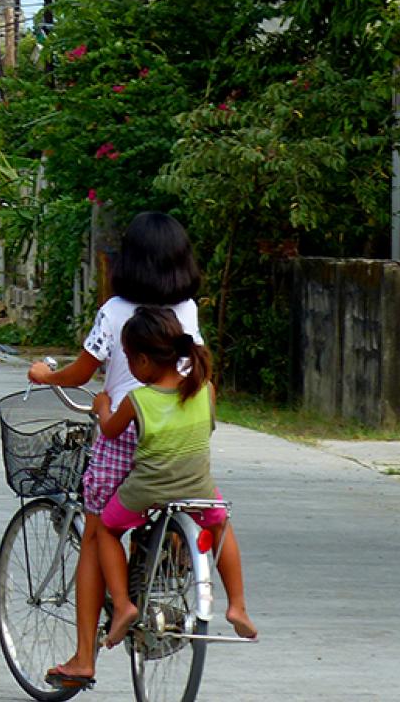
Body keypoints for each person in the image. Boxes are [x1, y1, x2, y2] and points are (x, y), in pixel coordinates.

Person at [26, 211, 208, 687]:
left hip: (124, 435)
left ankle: (83, 658)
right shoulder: (187, 309)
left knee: (96, 534)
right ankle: (169, 551)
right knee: (170, 500)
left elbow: (82, 373)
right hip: (179, 441)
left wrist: (47, 376)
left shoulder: (114, 310)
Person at [93, 306, 255, 650]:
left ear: (143, 361)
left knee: (106, 529)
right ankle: (238, 605)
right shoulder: (205, 390)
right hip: (198, 488)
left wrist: (102, 405)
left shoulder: (137, 400)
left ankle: (123, 605)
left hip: (148, 490)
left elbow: (109, 430)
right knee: (220, 525)